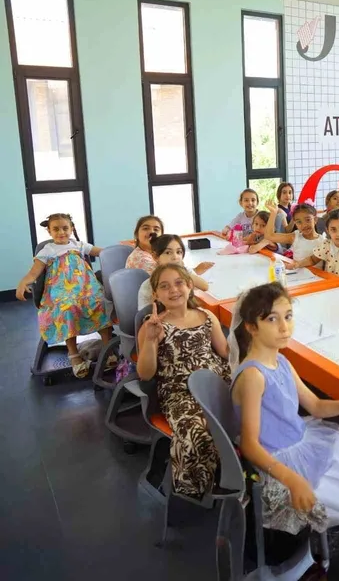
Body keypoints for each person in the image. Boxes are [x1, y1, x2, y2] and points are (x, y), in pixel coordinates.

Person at [231, 283, 339, 531]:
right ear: (251, 327)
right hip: (277, 458)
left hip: (301, 438)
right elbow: (249, 445)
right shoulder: (253, 376)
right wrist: (292, 480)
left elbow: (314, 405)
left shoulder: (281, 360)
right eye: (272, 319)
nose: (284, 327)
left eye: (288, 316)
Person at [136, 263, 231, 499]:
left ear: (190, 286)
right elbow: (145, 374)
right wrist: (150, 341)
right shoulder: (152, 325)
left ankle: (249, 470)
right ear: (155, 295)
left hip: (217, 382)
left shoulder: (206, 316)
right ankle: (202, 488)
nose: (174, 290)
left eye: (179, 283)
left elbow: (226, 352)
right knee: (198, 430)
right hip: (181, 392)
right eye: (164, 286)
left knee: (257, 405)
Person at [16, 213, 113, 379]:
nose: (61, 232)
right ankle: (73, 354)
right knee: (66, 309)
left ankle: (107, 348)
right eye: (56, 229)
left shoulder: (78, 245)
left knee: (100, 303)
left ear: (71, 229)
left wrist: (126, 249)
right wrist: (23, 282)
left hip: (85, 287)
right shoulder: (48, 250)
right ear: (49, 231)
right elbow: (34, 272)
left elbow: (103, 253)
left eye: (65, 228)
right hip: (61, 290)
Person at [137, 234, 214, 310]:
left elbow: (204, 286)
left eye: (178, 252)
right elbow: (144, 314)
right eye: (168, 252)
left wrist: (183, 272)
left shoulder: (185, 271)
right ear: (155, 256)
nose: (175, 257)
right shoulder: (149, 285)